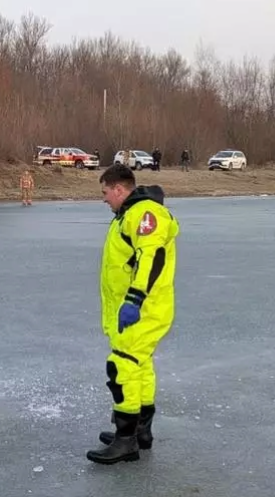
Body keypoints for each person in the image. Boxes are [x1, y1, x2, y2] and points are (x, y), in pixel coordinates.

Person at [87, 163, 179, 464]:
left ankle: (126, 440)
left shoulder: (143, 214)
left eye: (105, 192)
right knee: (139, 366)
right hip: (137, 310)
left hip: (143, 310)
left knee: (121, 367)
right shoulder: (127, 214)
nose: (104, 199)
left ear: (118, 189)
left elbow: (150, 256)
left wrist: (135, 300)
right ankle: (140, 431)